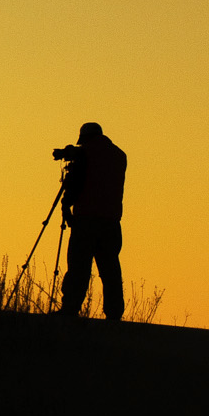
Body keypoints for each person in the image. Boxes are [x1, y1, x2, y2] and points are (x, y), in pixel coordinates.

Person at [57, 122, 126, 320]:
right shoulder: (119, 155)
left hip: (86, 220)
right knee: (110, 270)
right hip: (111, 222)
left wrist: (66, 205)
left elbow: (76, 184)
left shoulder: (85, 154)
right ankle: (114, 313)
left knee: (79, 267)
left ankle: (70, 309)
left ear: (85, 138)